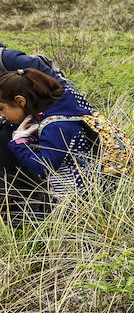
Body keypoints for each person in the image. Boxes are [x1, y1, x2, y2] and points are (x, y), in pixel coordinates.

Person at [2, 68, 100, 222]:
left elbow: (45, 166)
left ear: (20, 101)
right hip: (88, 188)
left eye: (2, 108)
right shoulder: (66, 107)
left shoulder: (56, 125)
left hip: (75, 201)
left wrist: (19, 143)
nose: (2, 115)